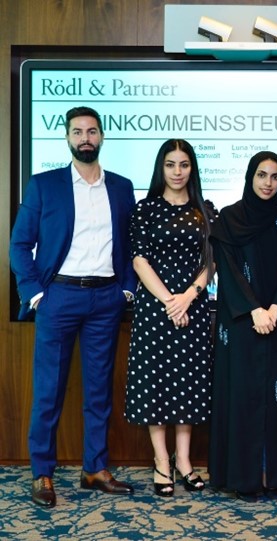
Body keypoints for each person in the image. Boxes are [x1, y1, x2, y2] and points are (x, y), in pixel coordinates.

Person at [10, 106, 137, 508]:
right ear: (67, 137)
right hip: (59, 297)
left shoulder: (121, 187)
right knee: (49, 390)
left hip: (106, 299)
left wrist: (126, 290)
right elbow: (19, 245)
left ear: (102, 137)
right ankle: (42, 473)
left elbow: (130, 245)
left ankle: (94, 469)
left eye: (92, 131)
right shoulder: (44, 185)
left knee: (99, 391)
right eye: (78, 132)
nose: (85, 138)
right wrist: (35, 294)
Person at [208, 151, 277, 499]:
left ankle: (275, 475)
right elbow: (229, 271)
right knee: (243, 398)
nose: (268, 183)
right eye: (262, 175)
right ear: (250, 176)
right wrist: (254, 310)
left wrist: (275, 309)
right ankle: (242, 477)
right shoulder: (229, 218)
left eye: (275, 177)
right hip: (240, 324)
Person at [125, 139, 216, 496]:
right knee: (156, 384)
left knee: (188, 384)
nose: (177, 172)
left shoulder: (205, 210)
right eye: (170, 164)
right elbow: (139, 261)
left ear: (192, 168)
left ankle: (184, 461)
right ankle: (161, 461)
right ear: (160, 168)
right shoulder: (145, 209)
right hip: (155, 310)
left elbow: (211, 261)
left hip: (194, 307)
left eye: (184, 165)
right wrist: (170, 302)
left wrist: (188, 297)